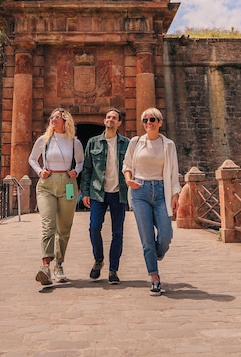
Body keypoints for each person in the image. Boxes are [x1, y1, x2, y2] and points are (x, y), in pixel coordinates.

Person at [122, 107, 181, 296]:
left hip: (161, 191)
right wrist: (128, 179)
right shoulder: (135, 142)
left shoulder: (168, 145)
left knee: (166, 235)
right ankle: (154, 277)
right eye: (145, 120)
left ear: (160, 122)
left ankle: (157, 254)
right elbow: (127, 164)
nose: (149, 122)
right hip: (140, 191)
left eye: (153, 119)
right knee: (147, 239)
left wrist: (175, 194)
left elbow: (173, 171)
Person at [29, 108, 84, 285]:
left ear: (65, 120)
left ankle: (59, 265)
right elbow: (32, 158)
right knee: (48, 225)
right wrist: (39, 171)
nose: (53, 119)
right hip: (47, 184)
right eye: (51, 117)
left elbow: (81, 161)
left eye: (57, 117)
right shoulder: (43, 140)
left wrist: (77, 170)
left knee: (64, 227)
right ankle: (45, 266)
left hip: (68, 183)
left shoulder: (74, 142)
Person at [80, 107, 130, 284]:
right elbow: (87, 169)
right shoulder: (93, 142)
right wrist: (84, 192)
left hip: (118, 193)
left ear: (119, 122)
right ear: (104, 121)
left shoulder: (127, 143)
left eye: (114, 117)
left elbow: (133, 168)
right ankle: (98, 260)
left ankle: (113, 270)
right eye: (108, 117)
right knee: (94, 228)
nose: (110, 119)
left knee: (118, 233)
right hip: (97, 192)